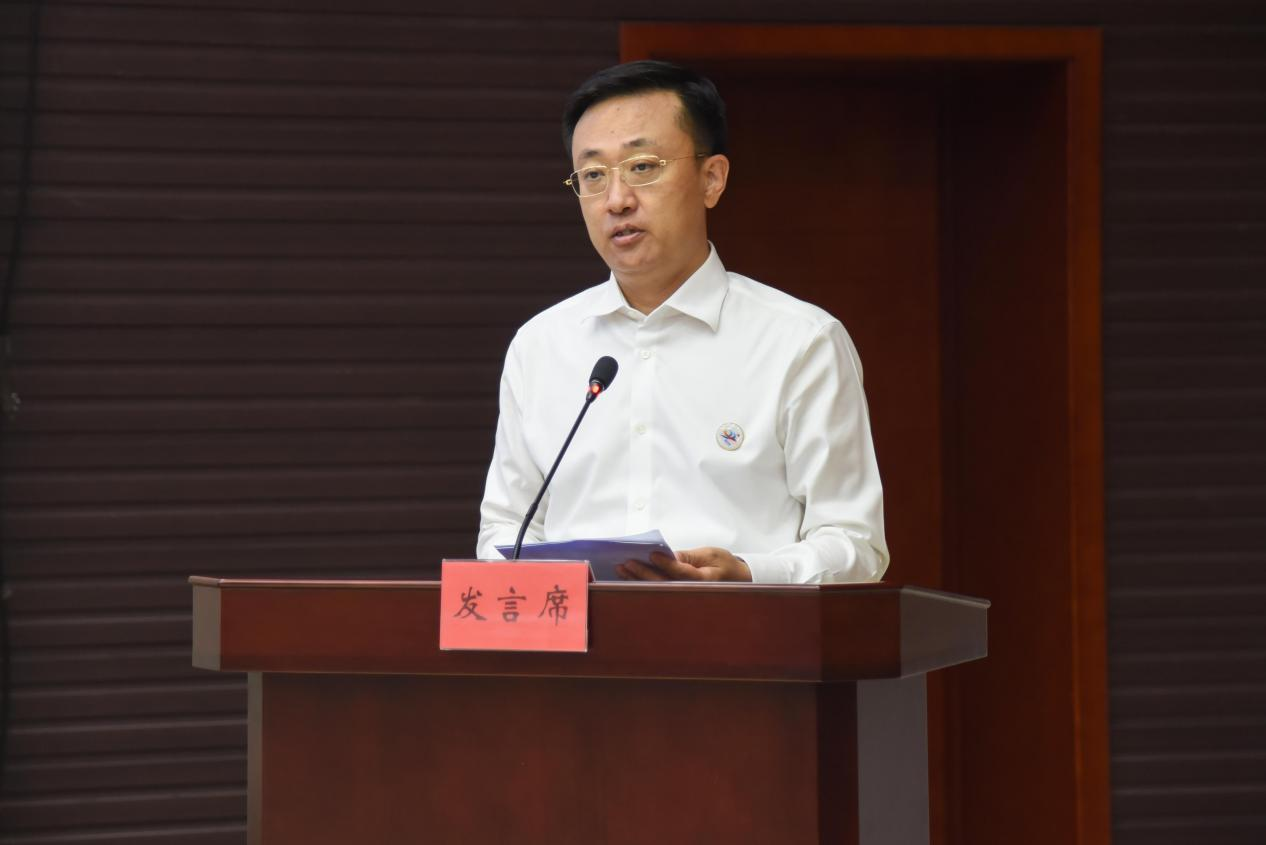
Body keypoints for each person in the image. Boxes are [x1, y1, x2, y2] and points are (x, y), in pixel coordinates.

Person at [475, 60, 888, 584]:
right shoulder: (540, 345)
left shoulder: (800, 342)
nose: (617, 200)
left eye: (643, 166)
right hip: (581, 638)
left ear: (711, 179)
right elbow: (505, 531)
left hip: (745, 634)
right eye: (593, 176)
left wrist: (750, 575)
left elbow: (855, 545)